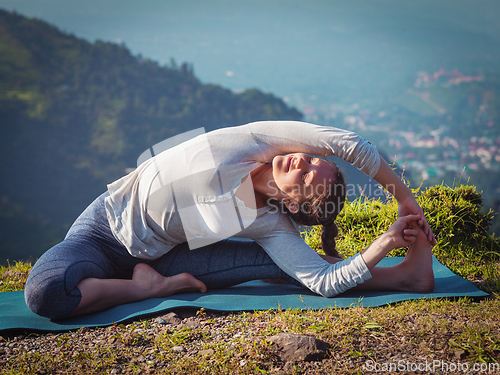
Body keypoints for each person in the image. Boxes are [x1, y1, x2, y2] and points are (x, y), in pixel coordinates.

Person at [24, 121, 436, 320]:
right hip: (100, 231)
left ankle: (407, 276)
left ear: (293, 206)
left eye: (308, 177)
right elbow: (349, 144)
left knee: (288, 267)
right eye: (313, 160)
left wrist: (384, 243)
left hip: (167, 254)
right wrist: (404, 201)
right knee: (45, 294)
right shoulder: (256, 142)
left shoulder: (271, 224)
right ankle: (143, 289)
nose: (303, 162)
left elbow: (322, 283)